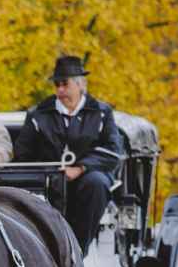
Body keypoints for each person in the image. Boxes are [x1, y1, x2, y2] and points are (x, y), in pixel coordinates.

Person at [14, 55, 124, 253]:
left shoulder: (101, 112)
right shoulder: (39, 114)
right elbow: (23, 153)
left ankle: (77, 251)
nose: (60, 90)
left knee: (97, 183)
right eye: (57, 85)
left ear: (80, 84)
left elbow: (113, 150)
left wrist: (81, 168)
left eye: (65, 84)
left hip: (88, 178)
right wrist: (47, 170)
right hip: (49, 181)